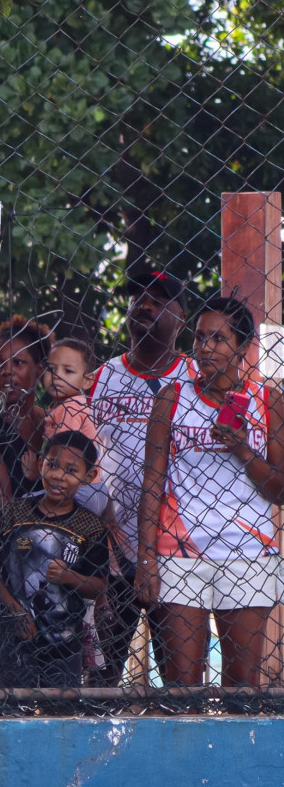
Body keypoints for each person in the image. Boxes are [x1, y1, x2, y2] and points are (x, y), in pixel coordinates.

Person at [136, 294, 284, 691]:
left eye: (218, 339)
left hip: (248, 554)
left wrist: (241, 448)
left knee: (241, 683)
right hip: (179, 553)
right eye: (200, 338)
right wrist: (145, 558)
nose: (205, 348)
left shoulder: (268, 401)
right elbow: (152, 482)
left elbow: (280, 489)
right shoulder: (172, 399)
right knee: (182, 685)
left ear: (242, 346)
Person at [90, 269, 192, 684]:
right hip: (113, 549)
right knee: (102, 675)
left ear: (181, 317)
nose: (144, 305)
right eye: (137, 298)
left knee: (179, 677)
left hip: (177, 547)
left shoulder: (196, 379)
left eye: (158, 298)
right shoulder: (100, 378)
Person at [0, 432, 109, 697]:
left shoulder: (91, 527)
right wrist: (14, 608)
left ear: (89, 476)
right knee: (13, 708)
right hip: (16, 636)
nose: (58, 476)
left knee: (62, 713)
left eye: (71, 470)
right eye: (52, 464)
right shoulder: (15, 512)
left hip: (65, 640)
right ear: (40, 463)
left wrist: (69, 577)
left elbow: (99, 586)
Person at [0, 316, 52, 506]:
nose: (6, 371)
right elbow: (4, 510)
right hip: (13, 535)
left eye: (18, 362)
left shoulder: (57, 422)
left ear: (39, 369)